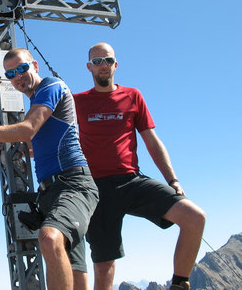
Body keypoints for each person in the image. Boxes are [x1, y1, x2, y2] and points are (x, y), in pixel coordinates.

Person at [0, 48, 99, 290]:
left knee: (49, 238)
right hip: (51, 190)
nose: (18, 76)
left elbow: (27, 129)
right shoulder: (36, 101)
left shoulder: (51, 86)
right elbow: (35, 144)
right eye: (11, 74)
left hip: (72, 183)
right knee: (72, 264)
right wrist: (8, 146)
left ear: (35, 66)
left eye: (22, 68)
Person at [73, 43, 206, 290]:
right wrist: (16, 147)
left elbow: (152, 142)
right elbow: (51, 135)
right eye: (98, 61)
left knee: (195, 217)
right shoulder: (76, 102)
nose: (104, 65)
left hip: (131, 181)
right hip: (95, 189)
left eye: (108, 60)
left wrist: (173, 180)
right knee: (104, 267)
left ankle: (179, 284)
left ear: (116, 64)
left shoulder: (133, 96)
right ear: (89, 66)